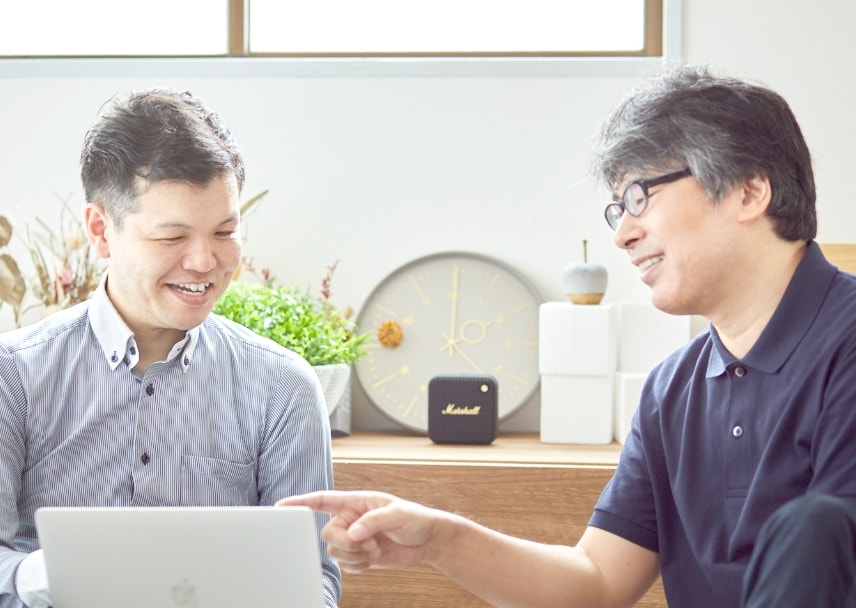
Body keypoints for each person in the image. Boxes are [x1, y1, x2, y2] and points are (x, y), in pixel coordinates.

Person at [279, 62, 856, 607]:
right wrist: (440, 539)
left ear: (749, 192)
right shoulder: (671, 391)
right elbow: (597, 581)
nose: (623, 234)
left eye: (640, 197)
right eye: (617, 209)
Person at [0, 89, 340, 607]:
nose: (204, 262)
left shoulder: (283, 389)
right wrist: (62, 570)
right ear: (101, 230)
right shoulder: (13, 377)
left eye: (225, 231)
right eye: (171, 238)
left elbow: (314, 580)